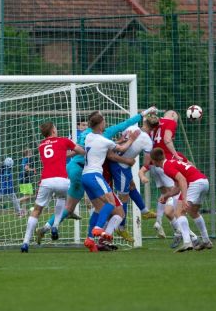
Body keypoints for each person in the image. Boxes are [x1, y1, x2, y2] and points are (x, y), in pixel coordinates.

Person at [37, 107, 155, 241]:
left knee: (70, 207)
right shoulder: (106, 134)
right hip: (87, 172)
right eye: (103, 120)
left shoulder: (86, 134)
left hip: (72, 168)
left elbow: (86, 148)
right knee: (107, 206)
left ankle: (48, 227)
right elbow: (124, 125)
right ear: (100, 124)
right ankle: (102, 231)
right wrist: (142, 116)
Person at [21, 122, 85, 252]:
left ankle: (25, 242)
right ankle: (55, 226)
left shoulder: (41, 146)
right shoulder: (63, 141)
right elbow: (81, 151)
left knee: (37, 211)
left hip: (46, 181)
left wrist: (66, 152)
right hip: (62, 180)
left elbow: (57, 155)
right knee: (61, 199)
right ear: (53, 131)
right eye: (55, 127)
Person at [82, 112, 138, 252]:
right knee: (111, 203)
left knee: (99, 209)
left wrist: (118, 141)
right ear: (101, 124)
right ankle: (98, 228)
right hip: (95, 175)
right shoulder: (104, 141)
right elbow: (122, 149)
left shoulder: (89, 136)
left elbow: (104, 146)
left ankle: (89, 239)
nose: (105, 123)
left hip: (85, 176)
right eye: (104, 121)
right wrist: (131, 139)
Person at [149, 148, 210, 252]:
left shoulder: (166, 167)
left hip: (194, 183)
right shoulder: (170, 163)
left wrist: (185, 199)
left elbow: (182, 180)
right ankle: (206, 241)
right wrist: (167, 195)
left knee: (179, 212)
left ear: (154, 161)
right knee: (193, 212)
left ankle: (187, 242)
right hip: (204, 181)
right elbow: (177, 187)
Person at [108, 122, 156, 243]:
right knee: (123, 197)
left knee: (131, 186)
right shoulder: (148, 141)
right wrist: (145, 168)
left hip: (120, 162)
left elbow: (120, 140)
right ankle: (121, 227)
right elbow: (146, 161)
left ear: (144, 122)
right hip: (121, 166)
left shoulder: (131, 127)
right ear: (153, 129)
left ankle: (144, 211)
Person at [145, 111, 184, 239]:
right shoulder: (170, 122)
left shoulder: (155, 122)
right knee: (174, 193)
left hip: (153, 164)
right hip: (164, 162)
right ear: (173, 116)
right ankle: (179, 229)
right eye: (176, 120)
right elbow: (167, 139)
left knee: (164, 195)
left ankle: (158, 221)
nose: (176, 123)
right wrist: (176, 155)